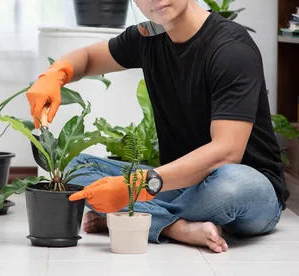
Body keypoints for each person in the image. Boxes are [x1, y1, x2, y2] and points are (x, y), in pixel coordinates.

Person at [25, 0, 288, 253]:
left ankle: (133, 218)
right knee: (75, 168)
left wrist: (135, 186)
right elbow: (89, 58)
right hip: (177, 183)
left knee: (230, 183)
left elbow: (227, 152)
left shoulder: (230, 48)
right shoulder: (148, 37)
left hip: (250, 191)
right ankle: (175, 227)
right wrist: (56, 74)